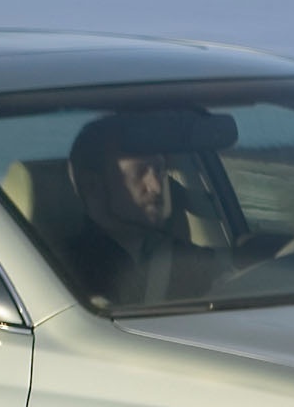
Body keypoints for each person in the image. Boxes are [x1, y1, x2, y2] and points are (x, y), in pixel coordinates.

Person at [67, 111, 229, 307]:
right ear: (91, 184)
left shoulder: (192, 261)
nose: (157, 186)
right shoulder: (61, 276)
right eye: (140, 172)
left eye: (159, 170)